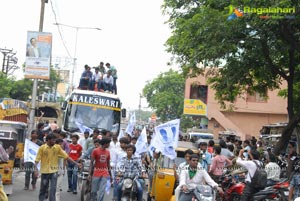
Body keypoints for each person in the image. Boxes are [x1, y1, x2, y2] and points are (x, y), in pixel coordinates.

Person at [34, 134, 81, 201]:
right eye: (53, 140)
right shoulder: (42, 148)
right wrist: (35, 170)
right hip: (44, 172)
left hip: (54, 172)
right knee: (43, 189)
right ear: (48, 140)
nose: (54, 141)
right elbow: (37, 159)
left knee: (53, 189)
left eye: (55, 140)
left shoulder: (57, 148)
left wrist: (76, 163)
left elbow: (67, 157)